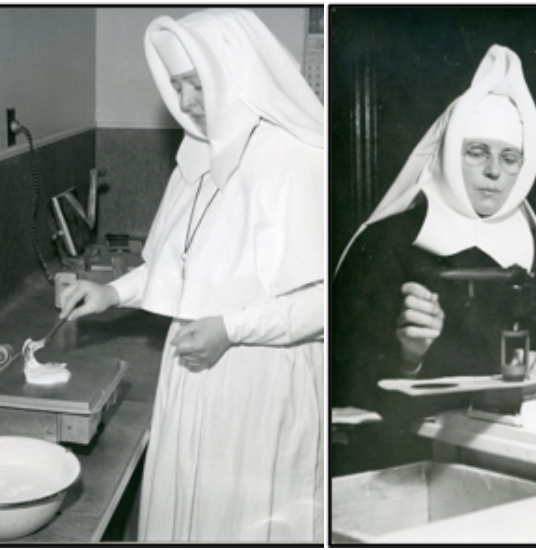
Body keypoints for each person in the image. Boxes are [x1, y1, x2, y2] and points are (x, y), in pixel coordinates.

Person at [59, 9, 323, 543]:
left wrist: (231, 328)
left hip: (261, 381)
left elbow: (323, 303)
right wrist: (112, 292)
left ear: (235, 73)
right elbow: (175, 264)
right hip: (194, 369)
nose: (185, 102)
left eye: (196, 85)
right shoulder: (198, 156)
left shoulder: (297, 158)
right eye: (178, 87)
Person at [331, 45, 536, 473]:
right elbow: (343, 380)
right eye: (476, 151)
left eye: (509, 157)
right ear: (446, 152)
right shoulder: (387, 243)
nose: (494, 172)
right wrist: (408, 355)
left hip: (511, 456)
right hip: (408, 459)